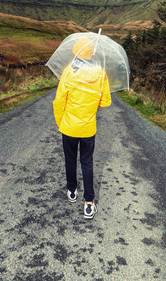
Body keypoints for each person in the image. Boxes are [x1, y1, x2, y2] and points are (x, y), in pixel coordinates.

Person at [53, 37, 111, 219]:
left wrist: (61, 122)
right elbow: (106, 101)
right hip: (88, 128)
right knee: (87, 162)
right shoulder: (101, 73)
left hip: (69, 127)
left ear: (77, 53)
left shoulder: (69, 71)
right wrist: (92, 104)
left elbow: (59, 101)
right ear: (91, 54)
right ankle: (88, 204)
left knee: (70, 160)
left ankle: (71, 191)